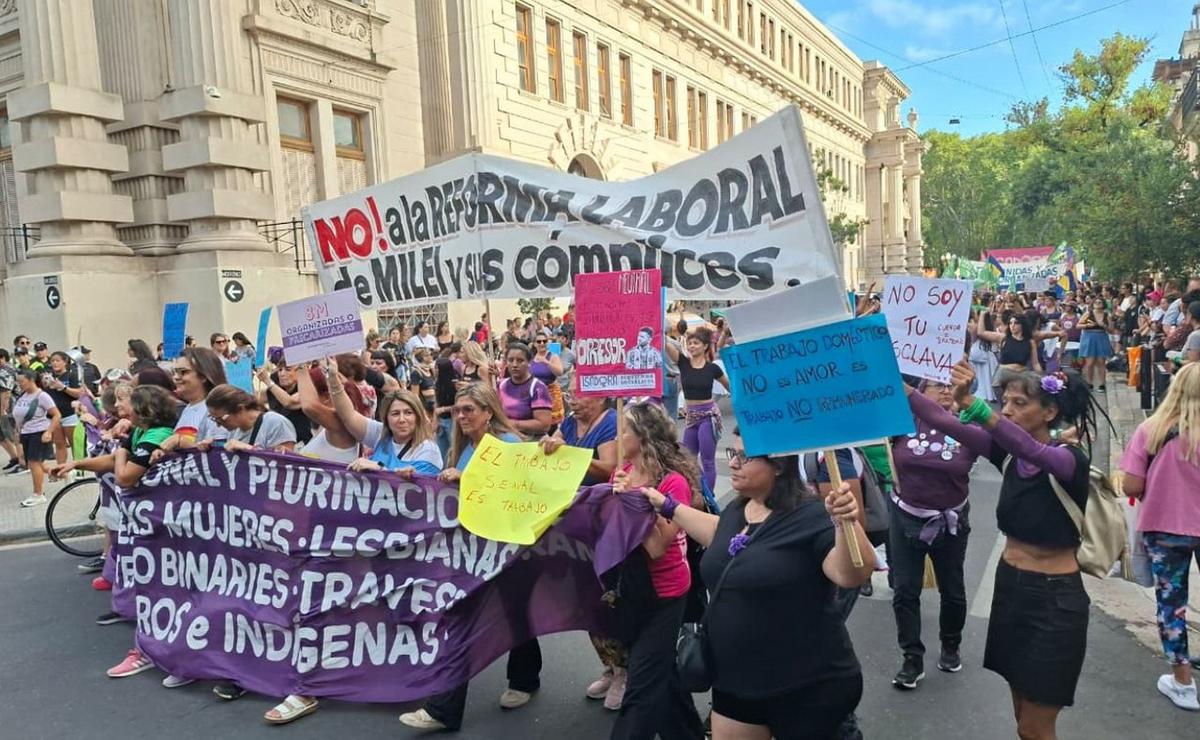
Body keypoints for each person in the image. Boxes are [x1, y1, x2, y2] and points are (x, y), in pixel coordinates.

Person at [629, 425, 874, 740]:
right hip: (736, 681)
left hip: (807, 686)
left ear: (779, 466)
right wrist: (668, 506)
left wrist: (847, 523)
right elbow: (721, 536)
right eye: (733, 452)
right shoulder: (739, 508)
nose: (732, 463)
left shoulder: (810, 517)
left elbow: (851, 573)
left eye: (743, 456)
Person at [949, 359, 1098, 739]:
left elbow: (1028, 448)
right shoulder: (1011, 457)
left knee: (1035, 727)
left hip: (1055, 602)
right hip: (1011, 589)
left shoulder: (1067, 460)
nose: (1008, 410)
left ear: (1050, 412)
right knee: (1022, 719)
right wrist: (902, 390)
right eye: (1005, 402)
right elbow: (946, 423)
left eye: (1019, 403)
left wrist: (975, 407)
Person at [400, 383, 523, 732]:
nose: (462, 415)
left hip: (502, 548)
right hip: (471, 549)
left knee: (463, 620)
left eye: (469, 409)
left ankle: (444, 710)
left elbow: (514, 490)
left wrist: (467, 478)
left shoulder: (508, 444)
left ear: (488, 411)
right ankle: (525, 678)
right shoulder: (462, 445)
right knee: (514, 614)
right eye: (458, 409)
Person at [594, 403, 705, 739]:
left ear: (642, 437)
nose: (618, 436)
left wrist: (631, 500)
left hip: (665, 595)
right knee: (663, 674)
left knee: (641, 686)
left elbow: (657, 547)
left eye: (625, 430)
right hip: (630, 591)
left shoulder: (673, 483)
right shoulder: (622, 471)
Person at [887, 379, 998, 689]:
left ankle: (951, 645)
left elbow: (1002, 446)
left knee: (953, 589)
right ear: (922, 391)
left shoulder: (968, 428)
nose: (946, 390)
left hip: (951, 521)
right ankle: (912, 658)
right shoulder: (900, 421)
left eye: (951, 385)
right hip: (906, 517)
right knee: (905, 591)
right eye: (937, 385)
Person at [1119, 363, 1200, 710]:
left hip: (1166, 527)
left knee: (1172, 603)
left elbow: (1132, 485)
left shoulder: (1151, 430)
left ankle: (1182, 682)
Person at [540, 393, 623, 707]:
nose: (572, 400)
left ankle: (624, 671)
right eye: (570, 394)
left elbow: (609, 469)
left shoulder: (612, 422)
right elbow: (554, 445)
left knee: (608, 594)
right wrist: (547, 447)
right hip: (575, 520)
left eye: (580, 395)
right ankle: (609, 664)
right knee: (586, 594)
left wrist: (572, 454)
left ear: (601, 397)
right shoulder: (571, 422)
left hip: (604, 519)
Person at [100, 385, 187, 684]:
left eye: (128, 403)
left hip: (164, 524)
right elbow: (115, 465)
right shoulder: (138, 433)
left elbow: (124, 476)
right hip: (150, 523)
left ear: (144, 409)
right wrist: (76, 464)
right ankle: (152, 649)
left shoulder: (155, 436)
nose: (121, 407)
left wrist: (122, 449)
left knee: (169, 588)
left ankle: (167, 653)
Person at [327, 370, 442, 477]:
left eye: (408, 413)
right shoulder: (381, 434)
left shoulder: (428, 449)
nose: (402, 419)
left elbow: (419, 487)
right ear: (386, 418)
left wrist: (380, 468)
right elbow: (348, 416)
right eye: (395, 414)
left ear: (418, 417)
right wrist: (333, 378)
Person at [665, 326, 730, 493]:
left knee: (707, 460)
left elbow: (731, 387)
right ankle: (694, 492)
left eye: (696, 343)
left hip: (708, 417)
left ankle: (708, 496)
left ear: (705, 346)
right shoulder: (683, 363)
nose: (692, 346)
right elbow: (663, 342)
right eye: (689, 343)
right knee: (688, 459)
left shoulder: (713, 368)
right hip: (691, 418)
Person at [156, 347, 229, 457]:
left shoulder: (217, 409)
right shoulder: (188, 408)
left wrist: (180, 441)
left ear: (204, 376)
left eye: (183, 372)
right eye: (174, 372)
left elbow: (220, 455)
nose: (175, 377)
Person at [11, 369, 61, 507]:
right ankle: (62, 472)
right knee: (37, 463)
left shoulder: (42, 396)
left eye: (22, 381)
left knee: (34, 463)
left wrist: (49, 432)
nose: (19, 384)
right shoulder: (23, 395)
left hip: (38, 432)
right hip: (25, 433)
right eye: (18, 381)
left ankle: (38, 494)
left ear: (31, 380)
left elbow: (57, 415)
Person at [205, 384, 296, 453]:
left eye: (221, 419)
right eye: (214, 419)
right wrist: (211, 448)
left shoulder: (276, 423)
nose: (218, 424)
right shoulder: (234, 430)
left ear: (240, 409)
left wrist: (249, 449)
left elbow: (286, 465)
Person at [498, 343, 552, 437]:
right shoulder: (501, 385)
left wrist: (512, 424)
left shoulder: (538, 388)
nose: (514, 364)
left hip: (531, 442)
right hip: (506, 440)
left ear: (529, 363)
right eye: (511, 360)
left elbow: (544, 425)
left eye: (520, 360)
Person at [257, 362, 312, 445]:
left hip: (301, 444)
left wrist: (267, 381)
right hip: (278, 444)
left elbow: (290, 402)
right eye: (280, 370)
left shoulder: (305, 389)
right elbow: (252, 398)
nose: (282, 374)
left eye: (288, 369)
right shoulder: (274, 391)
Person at [44, 351, 83, 467]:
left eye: (57, 360)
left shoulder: (71, 375)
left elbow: (78, 393)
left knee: (74, 443)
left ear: (65, 362)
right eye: (52, 361)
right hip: (54, 416)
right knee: (59, 443)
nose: (55, 363)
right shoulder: (50, 377)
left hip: (69, 414)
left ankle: (78, 469)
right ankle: (60, 469)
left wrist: (63, 387)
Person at [1078, 297, 1114, 390]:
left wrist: (1104, 326)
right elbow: (1078, 325)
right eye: (1096, 302)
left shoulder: (1107, 315)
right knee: (1089, 362)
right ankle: (1089, 383)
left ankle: (1102, 384)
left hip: (1101, 337)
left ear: (1103, 304)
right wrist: (1087, 325)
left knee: (1101, 362)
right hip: (1089, 337)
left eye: (1100, 302)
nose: (1098, 303)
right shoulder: (1088, 313)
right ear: (1093, 304)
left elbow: (1111, 330)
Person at [433, 346, 462, 459]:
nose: (434, 370)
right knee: (441, 450)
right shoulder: (438, 383)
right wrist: (435, 418)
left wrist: (444, 409)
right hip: (441, 420)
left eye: (437, 368)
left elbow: (459, 405)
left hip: (452, 420)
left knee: (454, 449)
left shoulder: (455, 385)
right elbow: (437, 401)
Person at [529, 335, 564, 425]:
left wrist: (547, 362)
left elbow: (560, 372)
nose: (542, 343)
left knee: (552, 423)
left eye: (544, 341)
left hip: (551, 393)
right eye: (539, 341)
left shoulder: (553, 356)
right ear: (534, 344)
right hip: (536, 394)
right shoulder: (531, 358)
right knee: (538, 421)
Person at [0, 349, 21, 474]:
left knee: (13, 434)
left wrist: (3, 409)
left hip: (10, 406)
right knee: (2, 434)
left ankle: (23, 461)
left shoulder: (5, 371)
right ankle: (15, 458)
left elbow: (6, 392)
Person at [409, 347, 437, 416]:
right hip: (424, 407)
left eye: (431, 354)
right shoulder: (416, 372)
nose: (430, 357)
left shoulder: (430, 370)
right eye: (427, 355)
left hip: (433, 407)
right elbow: (415, 395)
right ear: (421, 358)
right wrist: (422, 412)